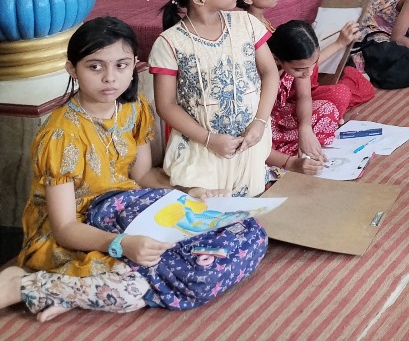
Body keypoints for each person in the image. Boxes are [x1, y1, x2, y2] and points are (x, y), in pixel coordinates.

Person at [2, 17, 266, 321]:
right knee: (136, 288)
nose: (110, 78)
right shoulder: (60, 134)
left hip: (128, 210)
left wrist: (189, 193)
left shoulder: (134, 107)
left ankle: (73, 291)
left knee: (249, 232)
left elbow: (143, 177)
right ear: (72, 69)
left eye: (121, 65)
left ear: (134, 65)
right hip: (81, 230)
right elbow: (65, 229)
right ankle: (23, 286)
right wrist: (121, 244)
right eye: (95, 67)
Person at [148, 0, 278, 197]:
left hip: (249, 138)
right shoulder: (170, 43)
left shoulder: (246, 23)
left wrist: (260, 122)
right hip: (202, 148)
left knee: (251, 202)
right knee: (210, 206)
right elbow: (166, 105)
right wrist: (209, 139)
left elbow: (270, 72)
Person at [265, 20, 373, 168]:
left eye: (313, 65)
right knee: (259, 143)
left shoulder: (301, 67)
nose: (309, 73)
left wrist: (305, 128)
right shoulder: (262, 72)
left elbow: (304, 96)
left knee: (329, 108)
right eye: (299, 69)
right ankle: (282, 156)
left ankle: (296, 147)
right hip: (264, 121)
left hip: (286, 112)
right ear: (277, 59)